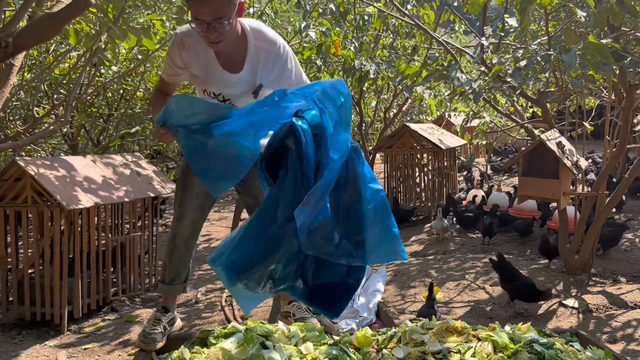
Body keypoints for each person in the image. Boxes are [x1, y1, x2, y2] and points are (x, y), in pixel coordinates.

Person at [136, 0, 319, 351]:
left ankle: (289, 302)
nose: (209, 34)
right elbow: (163, 91)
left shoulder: (268, 46)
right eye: (199, 23)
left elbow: (303, 101)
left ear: (241, 10)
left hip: (258, 147)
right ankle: (167, 309)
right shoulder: (185, 42)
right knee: (184, 223)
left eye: (219, 22)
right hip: (209, 145)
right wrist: (161, 118)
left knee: (272, 223)